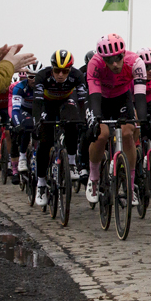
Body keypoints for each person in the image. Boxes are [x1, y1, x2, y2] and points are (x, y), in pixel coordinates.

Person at [86, 35, 147, 206]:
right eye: (109, 60)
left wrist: (142, 120)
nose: (114, 64)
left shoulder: (135, 62)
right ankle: (94, 178)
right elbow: (94, 94)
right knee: (101, 134)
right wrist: (96, 120)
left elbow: (140, 96)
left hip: (122, 97)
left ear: (123, 54)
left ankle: (130, 184)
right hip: (101, 99)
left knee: (128, 133)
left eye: (118, 58)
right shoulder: (95, 64)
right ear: (103, 59)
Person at [33, 50, 88, 207]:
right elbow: (37, 102)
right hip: (47, 103)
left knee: (73, 122)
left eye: (65, 71)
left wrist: (84, 119)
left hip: (66, 101)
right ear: (52, 68)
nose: (61, 74)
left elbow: (83, 100)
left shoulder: (77, 76)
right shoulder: (42, 76)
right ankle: (41, 184)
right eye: (57, 70)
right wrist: (37, 121)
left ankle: (71, 162)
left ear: (70, 69)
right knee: (45, 142)